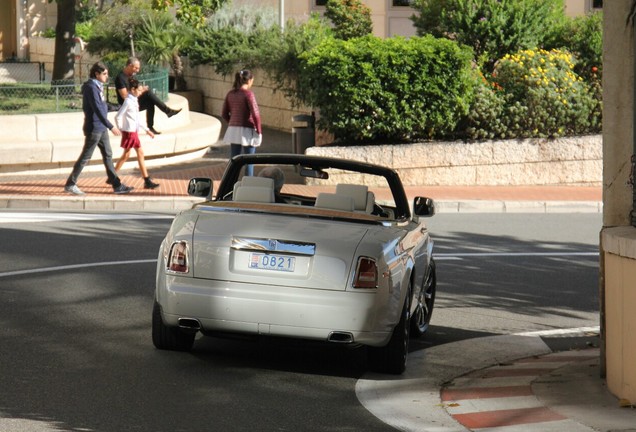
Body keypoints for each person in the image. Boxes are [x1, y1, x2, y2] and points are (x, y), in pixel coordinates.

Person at [64, 61, 133, 195]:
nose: (107, 76)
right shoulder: (91, 88)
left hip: (101, 128)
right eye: (104, 74)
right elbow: (97, 109)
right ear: (97, 74)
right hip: (94, 128)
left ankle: (117, 185)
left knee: (108, 155)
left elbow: (103, 105)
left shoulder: (98, 86)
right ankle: (70, 184)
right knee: (86, 157)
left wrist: (118, 107)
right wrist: (111, 126)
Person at [115, 57, 181, 135]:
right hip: (127, 104)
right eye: (136, 68)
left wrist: (142, 88)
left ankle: (150, 127)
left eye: (138, 68)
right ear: (129, 66)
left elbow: (137, 87)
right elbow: (124, 96)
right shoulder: (120, 78)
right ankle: (167, 111)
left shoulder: (132, 76)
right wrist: (142, 90)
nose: (137, 70)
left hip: (134, 101)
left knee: (150, 102)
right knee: (148, 93)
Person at [114, 78, 160, 190]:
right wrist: (120, 128)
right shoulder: (128, 101)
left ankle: (113, 176)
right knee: (136, 153)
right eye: (139, 90)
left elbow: (137, 119)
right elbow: (118, 116)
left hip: (133, 131)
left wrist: (146, 129)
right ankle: (146, 180)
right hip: (130, 132)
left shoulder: (134, 100)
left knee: (128, 155)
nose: (140, 92)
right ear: (133, 89)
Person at [221, 69, 262, 177]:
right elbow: (256, 114)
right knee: (249, 161)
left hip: (233, 131)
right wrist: (259, 131)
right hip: (247, 131)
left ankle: (231, 184)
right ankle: (248, 186)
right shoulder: (249, 94)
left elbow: (224, 113)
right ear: (249, 80)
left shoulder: (230, 94)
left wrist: (233, 123)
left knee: (234, 161)